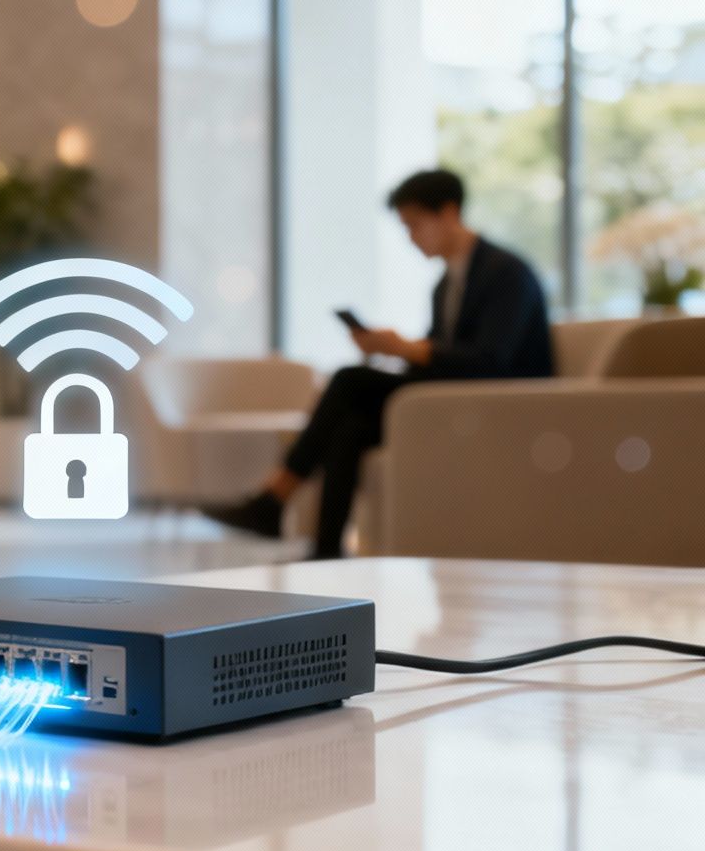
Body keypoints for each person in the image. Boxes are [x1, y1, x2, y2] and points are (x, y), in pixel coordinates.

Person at [205, 169, 553, 559]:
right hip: (452, 398)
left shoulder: (505, 273)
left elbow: (492, 361)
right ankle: (325, 549)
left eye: (415, 225)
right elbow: (441, 360)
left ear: (449, 212)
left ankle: (276, 496)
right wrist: (395, 350)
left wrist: (405, 348)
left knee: (350, 380)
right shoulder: (446, 285)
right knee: (350, 424)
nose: (411, 238)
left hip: (502, 405)